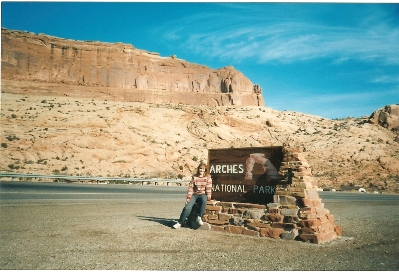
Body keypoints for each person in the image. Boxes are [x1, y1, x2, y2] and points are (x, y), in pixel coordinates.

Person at [173, 162, 212, 229]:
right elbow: (191, 188)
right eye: (200, 168)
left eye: (203, 169)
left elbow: (208, 188)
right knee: (187, 207)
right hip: (195, 194)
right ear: (198, 169)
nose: (201, 170)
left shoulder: (208, 178)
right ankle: (180, 222)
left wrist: (209, 197)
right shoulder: (194, 177)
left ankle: (199, 217)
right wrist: (188, 198)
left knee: (204, 200)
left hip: (203, 194)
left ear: (205, 170)